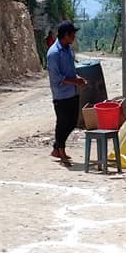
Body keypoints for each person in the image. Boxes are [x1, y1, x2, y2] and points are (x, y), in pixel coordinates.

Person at [45, 21, 87, 165]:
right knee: (63, 123)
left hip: (72, 92)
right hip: (61, 95)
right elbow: (56, 77)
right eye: (72, 34)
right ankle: (61, 151)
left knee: (72, 122)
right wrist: (75, 81)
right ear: (66, 35)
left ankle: (56, 148)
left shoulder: (68, 49)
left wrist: (77, 79)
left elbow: (70, 70)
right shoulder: (53, 53)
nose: (74, 37)